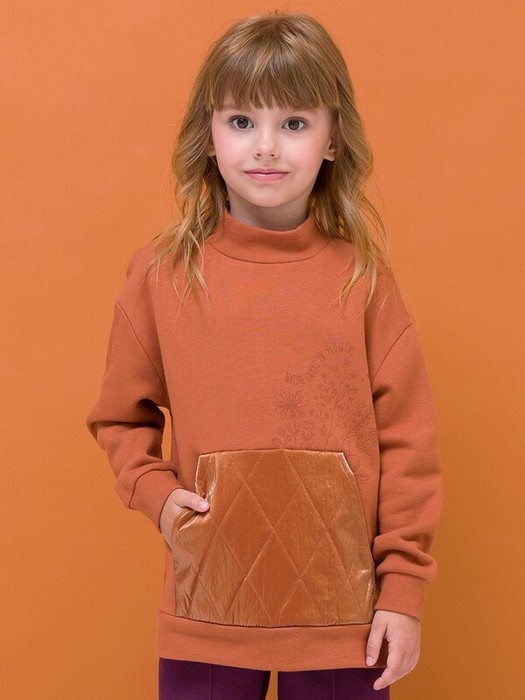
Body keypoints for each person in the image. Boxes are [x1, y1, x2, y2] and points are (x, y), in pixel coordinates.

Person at [86, 10, 443, 700]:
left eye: (295, 122)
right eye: (242, 121)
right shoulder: (161, 277)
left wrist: (402, 590)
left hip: (345, 617)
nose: (266, 146)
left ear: (333, 139)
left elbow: (409, 445)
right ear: (209, 135)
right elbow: (119, 417)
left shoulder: (363, 283)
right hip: (207, 607)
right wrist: (157, 497)